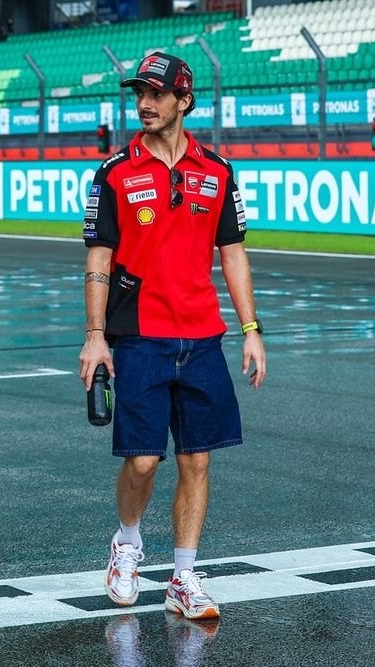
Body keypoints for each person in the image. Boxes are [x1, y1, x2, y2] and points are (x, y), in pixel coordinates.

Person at [78, 51, 266, 620]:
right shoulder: (115, 171)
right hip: (137, 336)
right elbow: (98, 260)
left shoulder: (218, 170)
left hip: (202, 337)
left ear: (184, 100)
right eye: (139, 93)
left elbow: (233, 256)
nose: (144, 103)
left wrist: (251, 329)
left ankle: (183, 576)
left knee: (197, 461)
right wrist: (94, 336)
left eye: (156, 94)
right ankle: (127, 544)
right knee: (142, 462)